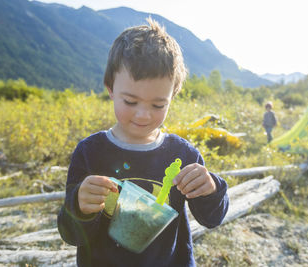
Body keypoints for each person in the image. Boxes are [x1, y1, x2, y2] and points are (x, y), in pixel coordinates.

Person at [57, 18, 229, 267]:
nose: (143, 115)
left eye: (158, 105)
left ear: (173, 95)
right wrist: (80, 206)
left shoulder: (183, 155)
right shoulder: (90, 153)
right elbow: (71, 234)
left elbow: (212, 218)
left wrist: (210, 188)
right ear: (110, 89)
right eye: (130, 101)